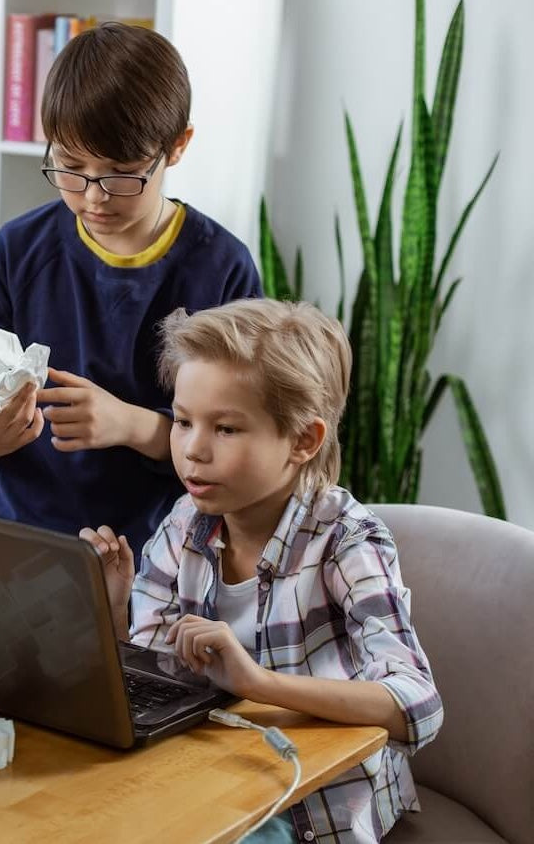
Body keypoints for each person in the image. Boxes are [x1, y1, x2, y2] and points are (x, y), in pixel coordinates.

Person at [81, 299, 442, 843]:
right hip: (205, 782)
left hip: (310, 809)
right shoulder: (186, 523)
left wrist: (258, 683)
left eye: (225, 429)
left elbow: (417, 702)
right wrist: (111, 614)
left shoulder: (347, 540)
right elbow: (154, 675)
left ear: (303, 440)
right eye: (182, 421)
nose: (192, 450)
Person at [0, 23, 261, 558]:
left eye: (122, 174)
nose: (93, 196)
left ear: (177, 146)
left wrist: (131, 425)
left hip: (163, 561)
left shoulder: (220, 268)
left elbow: (240, 443)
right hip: (22, 542)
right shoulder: (17, 251)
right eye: (70, 167)